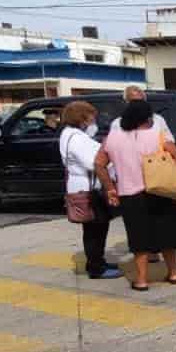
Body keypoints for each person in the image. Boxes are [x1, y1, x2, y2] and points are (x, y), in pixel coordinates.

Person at [95, 100, 176, 291]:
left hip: (130, 195)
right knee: (167, 233)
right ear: (147, 117)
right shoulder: (158, 135)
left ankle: (142, 279)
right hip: (162, 191)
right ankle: (173, 273)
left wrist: (110, 188)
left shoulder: (112, 137)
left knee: (138, 238)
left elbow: (98, 164)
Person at [111, 86, 176, 259]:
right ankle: (152, 251)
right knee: (142, 216)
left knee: (170, 213)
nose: (138, 104)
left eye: (141, 100)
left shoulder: (157, 120)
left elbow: (169, 143)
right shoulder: (118, 123)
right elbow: (115, 151)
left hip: (158, 171)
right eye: (134, 100)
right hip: (134, 176)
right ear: (126, 102)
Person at [58, 101, 120, 280]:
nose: (94, 119)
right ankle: (96, 268)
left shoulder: (72, 135)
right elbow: (94, 162)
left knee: (97, 228)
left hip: (86, 186)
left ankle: (97, 261)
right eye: (91, 115)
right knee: (95, 229)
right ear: (82, 117)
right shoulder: (76, 138)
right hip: (88, 190)